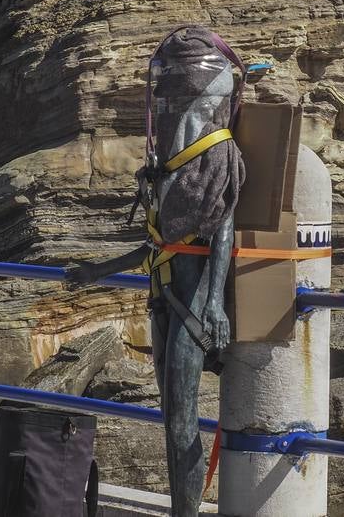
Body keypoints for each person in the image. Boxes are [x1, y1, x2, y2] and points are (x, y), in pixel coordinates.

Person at [66, 27, 245, 517]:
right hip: (161, 296)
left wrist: (212, 307)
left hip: (192, 307)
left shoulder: (220, 156)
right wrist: (98, 271)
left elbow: (223, 235)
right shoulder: (166, 167)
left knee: (184, 420)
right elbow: (156, 245)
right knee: (170, 417)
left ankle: (185, 512)